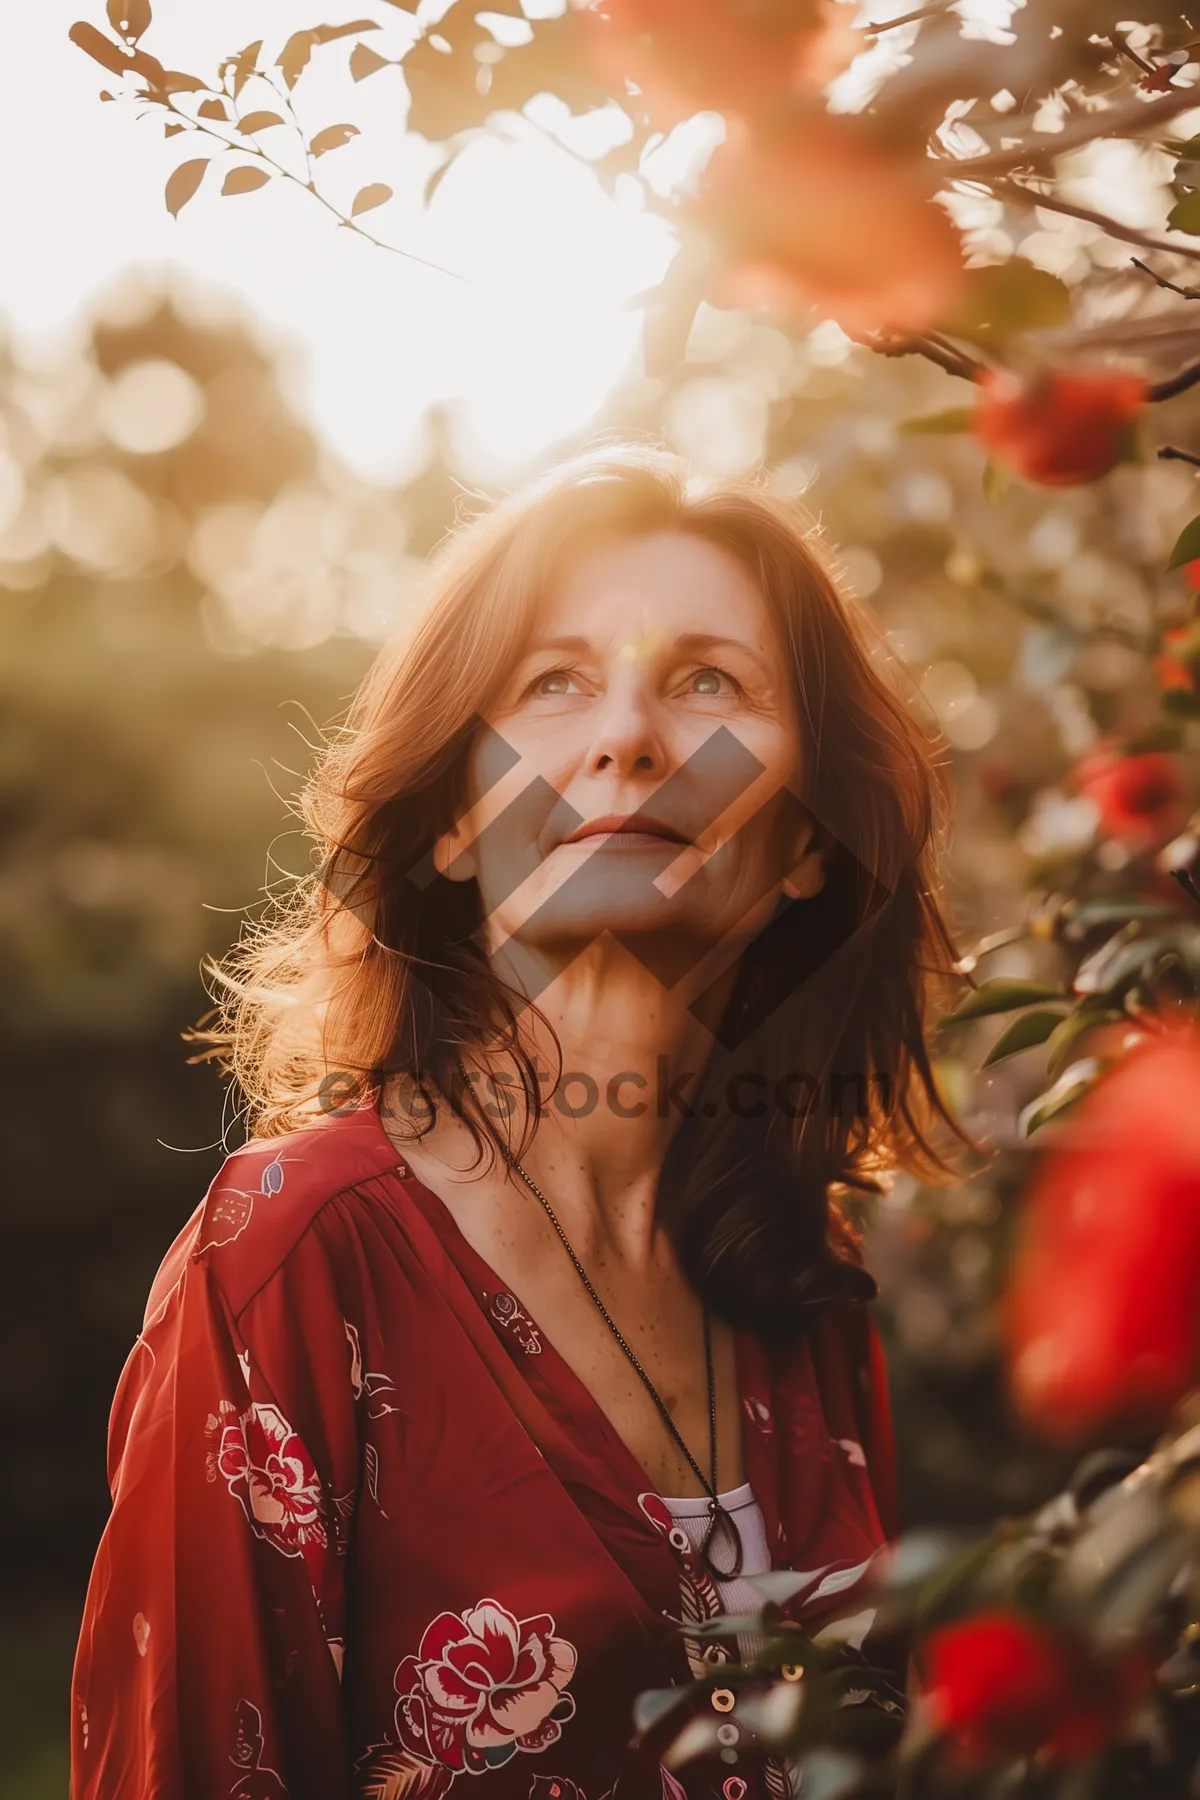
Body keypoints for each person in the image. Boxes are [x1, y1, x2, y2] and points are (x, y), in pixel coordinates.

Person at [71, 446, 961, 1800]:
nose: (629, 738)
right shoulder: (295, 1259)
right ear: (447, 819)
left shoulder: (807, 1276)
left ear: (808, 846)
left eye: (709, 682)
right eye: (554, 684)